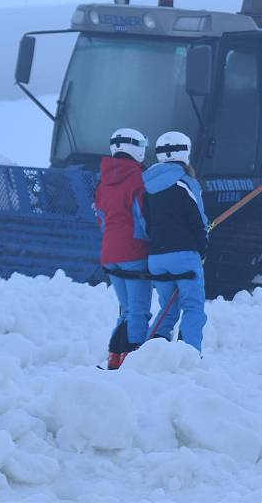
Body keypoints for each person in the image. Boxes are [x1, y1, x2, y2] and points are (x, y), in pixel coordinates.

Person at [143, 131, 208, 353]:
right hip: (184, 255)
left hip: (156, 258)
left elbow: (143, 222)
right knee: (193, 306)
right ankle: (189, 354)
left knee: (167, 309)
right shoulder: (186, 182)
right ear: (186, 152)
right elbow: (199, 219)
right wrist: (203, 248)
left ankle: (151, 352)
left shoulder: (145, 185)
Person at [94, 128, 150, 369]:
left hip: (109, 253)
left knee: (126, 310)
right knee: (139, 311)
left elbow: (101, 219)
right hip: (134, 252)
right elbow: (143, 217)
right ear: (137, 148)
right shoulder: (139, 179)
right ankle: (132, 360)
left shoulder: (103, 181)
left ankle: (114, 358)